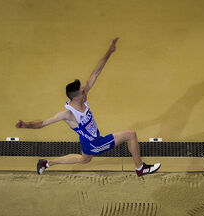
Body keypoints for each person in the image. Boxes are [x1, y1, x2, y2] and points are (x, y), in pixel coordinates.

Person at [15, 38, 160, 177]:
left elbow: (95, 73)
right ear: (75, 97)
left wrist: (109, 52)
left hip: (86, 141)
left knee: (84, 159)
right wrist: (26, 125)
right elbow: (42, 123)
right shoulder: (67, 114)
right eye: (82, 91)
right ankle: (140, 168)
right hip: (94, 143)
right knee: (131, 134)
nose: (86, 91)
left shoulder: (82, 97)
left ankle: (46, 163)